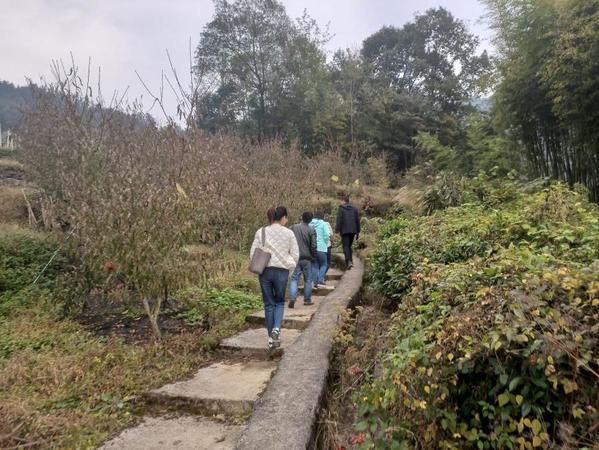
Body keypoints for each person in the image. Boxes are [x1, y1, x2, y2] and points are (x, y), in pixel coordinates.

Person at [250, 206, 299, 348]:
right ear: (283, 217)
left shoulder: (261, 231)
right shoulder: (289, 233)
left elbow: (253, 254)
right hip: (281, 272)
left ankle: (270, 339)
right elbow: (295, 254)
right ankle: (276, 329)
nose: (286, 220)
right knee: (279, 302)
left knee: (268, 304)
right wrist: (289, 266)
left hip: (265, 271)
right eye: (286, 218)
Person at [288, 211, 317, 308]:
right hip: (307, 258)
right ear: (311, 220)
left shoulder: (293, 227)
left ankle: (292, 298)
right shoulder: (311, 229)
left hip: (295, 257)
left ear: (302, 217)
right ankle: (307, 300)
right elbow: (313, 245)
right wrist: (313, 256)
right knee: (308, 280)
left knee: (294, 279)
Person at [335, 195, 360, 269]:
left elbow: (339, 219)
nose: (340, 202)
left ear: (343, 201)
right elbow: (357, 220)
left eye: (341, 201)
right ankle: (351, 261)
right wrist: (358, 231)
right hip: (353, 231)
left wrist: (337, 230)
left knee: (346, 246)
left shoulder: (341, 209)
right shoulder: (355, 209)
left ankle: (348, 261)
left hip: (344, 231)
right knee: (349, 246)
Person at [309, 210, 331, 288]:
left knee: (315, 265)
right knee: (324, 264)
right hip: (321, 247)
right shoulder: (324, 224)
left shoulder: (310, 224)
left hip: (312, 248)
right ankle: (320, 280)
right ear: (322, 216)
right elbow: (327, 235)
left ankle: (315, 282)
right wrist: (325, 242)